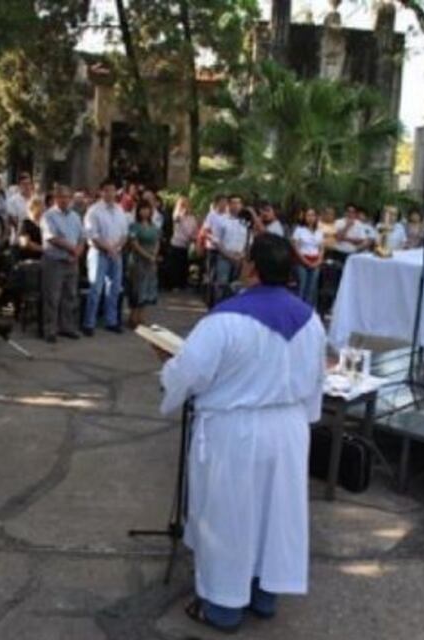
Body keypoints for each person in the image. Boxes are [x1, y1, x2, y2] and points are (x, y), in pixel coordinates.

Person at [158, 234, 326, 633]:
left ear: (250, 267)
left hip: (235, 431)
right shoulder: (311, 320)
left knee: (230, 516)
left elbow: (190, 374)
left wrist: (168, 368)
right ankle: (264, 595)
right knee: (273, 513)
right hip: (287, 428)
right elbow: (317, 378)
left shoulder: (224, 320)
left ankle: (223, 605)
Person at [82, 179, 128, 336]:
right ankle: (89, 323)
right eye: (107, 190)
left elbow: (124, 233)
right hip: (99, 253)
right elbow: (92, 235)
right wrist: (108, 248)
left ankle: (111, 321)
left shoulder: (120, 209)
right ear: (101, 192)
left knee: (114, 289)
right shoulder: (94, 210)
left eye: (113, 190)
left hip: (116, 253)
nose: (110, 193)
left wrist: (115, 248)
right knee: (96, 289)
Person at [41, 185, 85, 344]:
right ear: (56, 198)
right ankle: (50, 330)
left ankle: (67, 327)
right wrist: (72, 249)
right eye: (62, 197)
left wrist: (77, 252)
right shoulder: (48, 216)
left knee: (70, 295)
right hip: (55, 261)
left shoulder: (75, 216)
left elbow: (82, 237)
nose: (65, 200)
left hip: (72, 262)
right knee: (52, 297)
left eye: (67, 197)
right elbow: (52, 238)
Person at [127, 201, 161, 329]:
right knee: (136, 288)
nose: (145, 212)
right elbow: (134, 244)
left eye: (147, 209)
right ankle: (133, 316)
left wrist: (154, 256)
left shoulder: (154, 226)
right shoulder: (134, 226)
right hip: (138, 261)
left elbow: (157, 241)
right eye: (142, 209)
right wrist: (147, 256)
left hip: (151, 261)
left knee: (148, 287)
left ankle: (141, 316)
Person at [292, 208, 325, 305]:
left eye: (313, 215)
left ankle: (309, 309)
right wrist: (305, 261)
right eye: (308, 215)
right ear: (304, 217)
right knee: (302, 285)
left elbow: (321, 248)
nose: (310, 218)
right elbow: (295, 247)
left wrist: (319, 260)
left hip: (315, 261)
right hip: (302, 260)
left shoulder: (319, 231)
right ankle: (297, 307)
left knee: (312, 287)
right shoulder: (299, 230)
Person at [167, 196, 198, 291]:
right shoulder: (177, 215)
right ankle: (174, 285)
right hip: (176, 243)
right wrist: (181, 213)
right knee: (175, 265)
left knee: (184, 265)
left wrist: (194, 237)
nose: (185, 207)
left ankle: (182, 284)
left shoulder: (192, 218)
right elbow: (176, 219)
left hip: (186, 245)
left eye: (187, 205)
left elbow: (194, 229)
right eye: (183, 205)